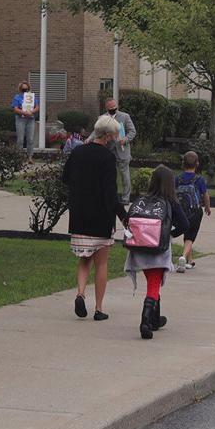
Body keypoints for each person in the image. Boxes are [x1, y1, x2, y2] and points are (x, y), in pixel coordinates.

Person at [63, 114, 128, 320]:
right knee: (101, 264)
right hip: (101, 217)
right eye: (115, 136)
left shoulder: (78, 152)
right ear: (108, 136)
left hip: (80, 215)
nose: (116, 139)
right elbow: (110, 192)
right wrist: (124, 216)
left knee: (84, 260)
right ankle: (99, 308)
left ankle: (80, 293)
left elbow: (66, 177)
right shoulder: (107, 158)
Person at [124, 165, 190, 339]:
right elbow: (185, 225)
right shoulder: (171, 202)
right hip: (158, 250)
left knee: (152, 283)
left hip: (139, 250)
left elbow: (127, 221)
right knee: (154, 285)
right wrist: (169, 235)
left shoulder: (142, 200)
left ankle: (154, 319)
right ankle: (145, 321)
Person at [174, 151, 211, 272]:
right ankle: (184, 257)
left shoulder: (177, 178)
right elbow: (205, 195)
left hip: (180, 211)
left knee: (186, 233)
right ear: (197, 164)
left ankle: (189, 261)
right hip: (195, 212)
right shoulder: (199, 179)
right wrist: (207, 207)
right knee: (190, 236)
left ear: (183, 164)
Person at [104, 98, 137, 198]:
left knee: (125, 175)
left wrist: (125, 139)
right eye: (110, 108)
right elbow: (97, 131)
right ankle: (111, 196)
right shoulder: (103, 118)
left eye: (114, 107)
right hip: (109, 151)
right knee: (110, 176)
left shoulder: (125, 116)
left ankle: (126, 197)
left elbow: (132, 131)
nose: (113, 109)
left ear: (117, 106)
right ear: (106, 108)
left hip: (123, 150)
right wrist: (89, 139)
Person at [12, 81, 39, 160]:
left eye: (26, 89)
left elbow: (37, 107)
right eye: (23, 89)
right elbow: (15, 109)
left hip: (30, 119)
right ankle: (19, 157)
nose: (25, 91)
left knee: (30, 139)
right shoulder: (17, 97)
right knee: (20, 139)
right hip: (20, 119)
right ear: (20, 89)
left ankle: (30, 157)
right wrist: (23, 112)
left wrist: (31, 112)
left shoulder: (31, 97)